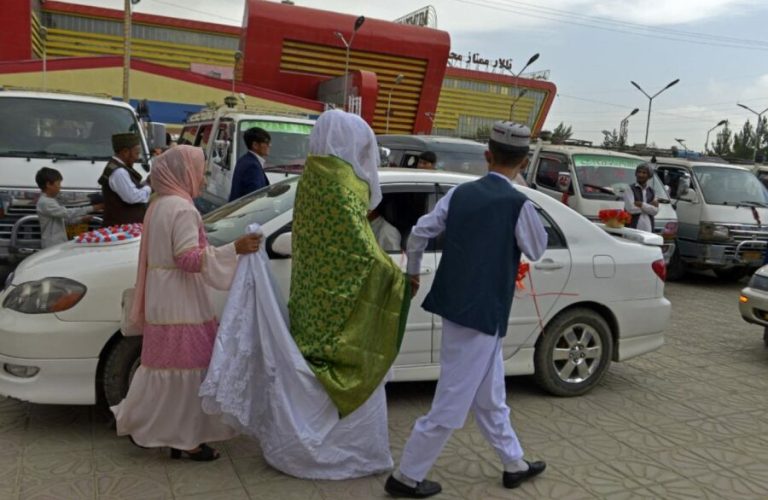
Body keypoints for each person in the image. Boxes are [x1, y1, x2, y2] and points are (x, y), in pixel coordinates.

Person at [200, 109, 409, 479]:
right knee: (347, 369)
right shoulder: (341, 182)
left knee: (308, 366)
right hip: (341, 307)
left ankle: (301, 448)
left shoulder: (314, 175)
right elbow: (359, 248)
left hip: (313, 294)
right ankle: (345, 456)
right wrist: (395, 274)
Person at [385, 122, 548, 498]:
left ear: (487, 155)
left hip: (458, 307)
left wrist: (413, 273)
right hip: (483, 313)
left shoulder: (458, 195)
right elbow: (537, 249)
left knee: (490, 394)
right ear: (524, 161)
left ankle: (513, 463)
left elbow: (419, 233)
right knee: (452, 400)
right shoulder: (519, 202)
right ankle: (406, 475)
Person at [111, 146, 262, 461]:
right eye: (199, 170)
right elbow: (188, 259)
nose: (203, 178)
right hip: (181, 301)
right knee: (188, 367)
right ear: (183, 172)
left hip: (163, 299)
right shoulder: (182, 209)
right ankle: (186, 440)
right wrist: (235, 249)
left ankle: (152, 426)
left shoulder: (159, 204)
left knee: (163, 366)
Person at [35, 167, 102, 248]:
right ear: (48, 184)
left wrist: (81, 219)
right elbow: (67, 213)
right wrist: (93, 208)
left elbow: (63, 221)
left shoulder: (51, 200)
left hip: (58, 243)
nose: (60, 187)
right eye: (58, 184)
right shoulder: (45, 202)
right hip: (51, 245)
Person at [98, 133, 151, 226]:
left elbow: (129, 189)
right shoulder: (119, 172)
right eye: (136, 153)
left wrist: (144, 184)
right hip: (120, 228)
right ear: (125, 152)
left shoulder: (116, 166)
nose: (137, 157)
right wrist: (149, 187)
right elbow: (132, 197)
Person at [229, 127, 271, 201]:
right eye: (266, 142)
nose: (269, 145)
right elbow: (254, 198)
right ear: (255, 145)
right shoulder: (252, 166)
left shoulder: (243, 160)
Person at [623, 162, 658, 232]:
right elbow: (631, 209)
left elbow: (655, 211)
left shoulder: (651, 191)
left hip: (648, 229)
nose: (640, 175)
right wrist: (649, 206)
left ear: (649, 176)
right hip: (633, 228)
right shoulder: (629, 189)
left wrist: (641, 204)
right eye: (639, 172)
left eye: (644, 173)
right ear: (636, 174)